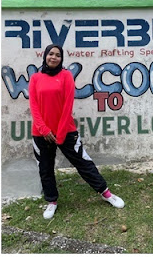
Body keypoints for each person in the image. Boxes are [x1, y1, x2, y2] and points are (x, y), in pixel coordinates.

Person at [29, 44, 124, 220]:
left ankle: (105, 193)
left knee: (83, 163)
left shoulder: (65, 76)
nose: (54, 57)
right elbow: (34, 106)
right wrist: (44, 129)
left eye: (58, 55)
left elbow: (67, 105)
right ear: (45, 56)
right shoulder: (35, 78)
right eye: (51, 54)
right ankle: (52, 201)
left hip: (65, 130)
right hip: (41, 133)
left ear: (61, 58)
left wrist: (60, 132)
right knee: (45, 168)